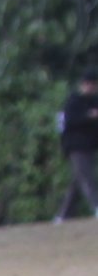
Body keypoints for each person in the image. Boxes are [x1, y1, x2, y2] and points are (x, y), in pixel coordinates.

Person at [58, 70, 98, 222]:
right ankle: (96, 206)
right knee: (87, 178)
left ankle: (63, 216)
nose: (92, 88)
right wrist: (89, 116)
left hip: (89, 146)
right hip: (76, 146)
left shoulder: (94, 100)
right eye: (90, 84)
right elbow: (68, 121)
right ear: (83, 84)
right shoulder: (73, 101)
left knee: (78, 181)